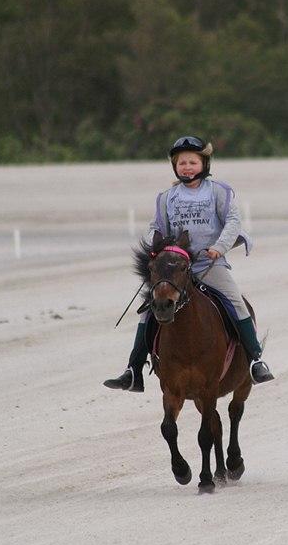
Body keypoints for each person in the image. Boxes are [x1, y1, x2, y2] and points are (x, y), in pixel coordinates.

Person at [104, 135, 275, 391]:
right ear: (175, 166)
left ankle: (255, 361)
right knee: (150, 308)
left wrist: (219, 247)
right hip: (174, 266)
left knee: (236, 303)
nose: (187, 167)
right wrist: (157, 248)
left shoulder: (219, 191)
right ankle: (133, 370)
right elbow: (156, 228)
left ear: (203, 163)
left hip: (208, 263)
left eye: (192, 162)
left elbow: (232, 222)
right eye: (181, 162)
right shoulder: (166, 197)